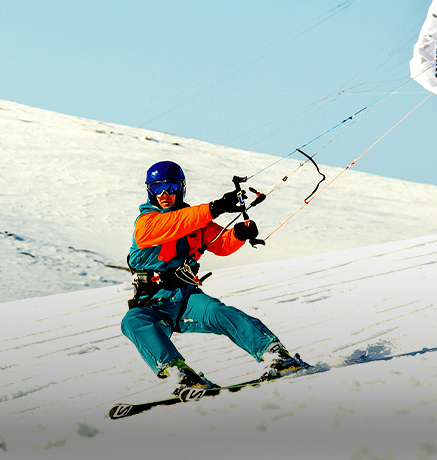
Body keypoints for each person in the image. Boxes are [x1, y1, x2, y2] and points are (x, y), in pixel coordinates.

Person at [121, 160, 308, 394]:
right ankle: (180, 374)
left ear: (181, 189)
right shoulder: (146, 223)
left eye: (171, 187)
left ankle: (277, 355)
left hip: (186, 298)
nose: (165, 194)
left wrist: (239, 234)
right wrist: (215, 206)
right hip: (153, 303)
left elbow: (220, 244)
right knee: (133, 321)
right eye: (158, 188)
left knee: (220, 312)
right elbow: (174, 224)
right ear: (150, 191)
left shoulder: (196, 221)